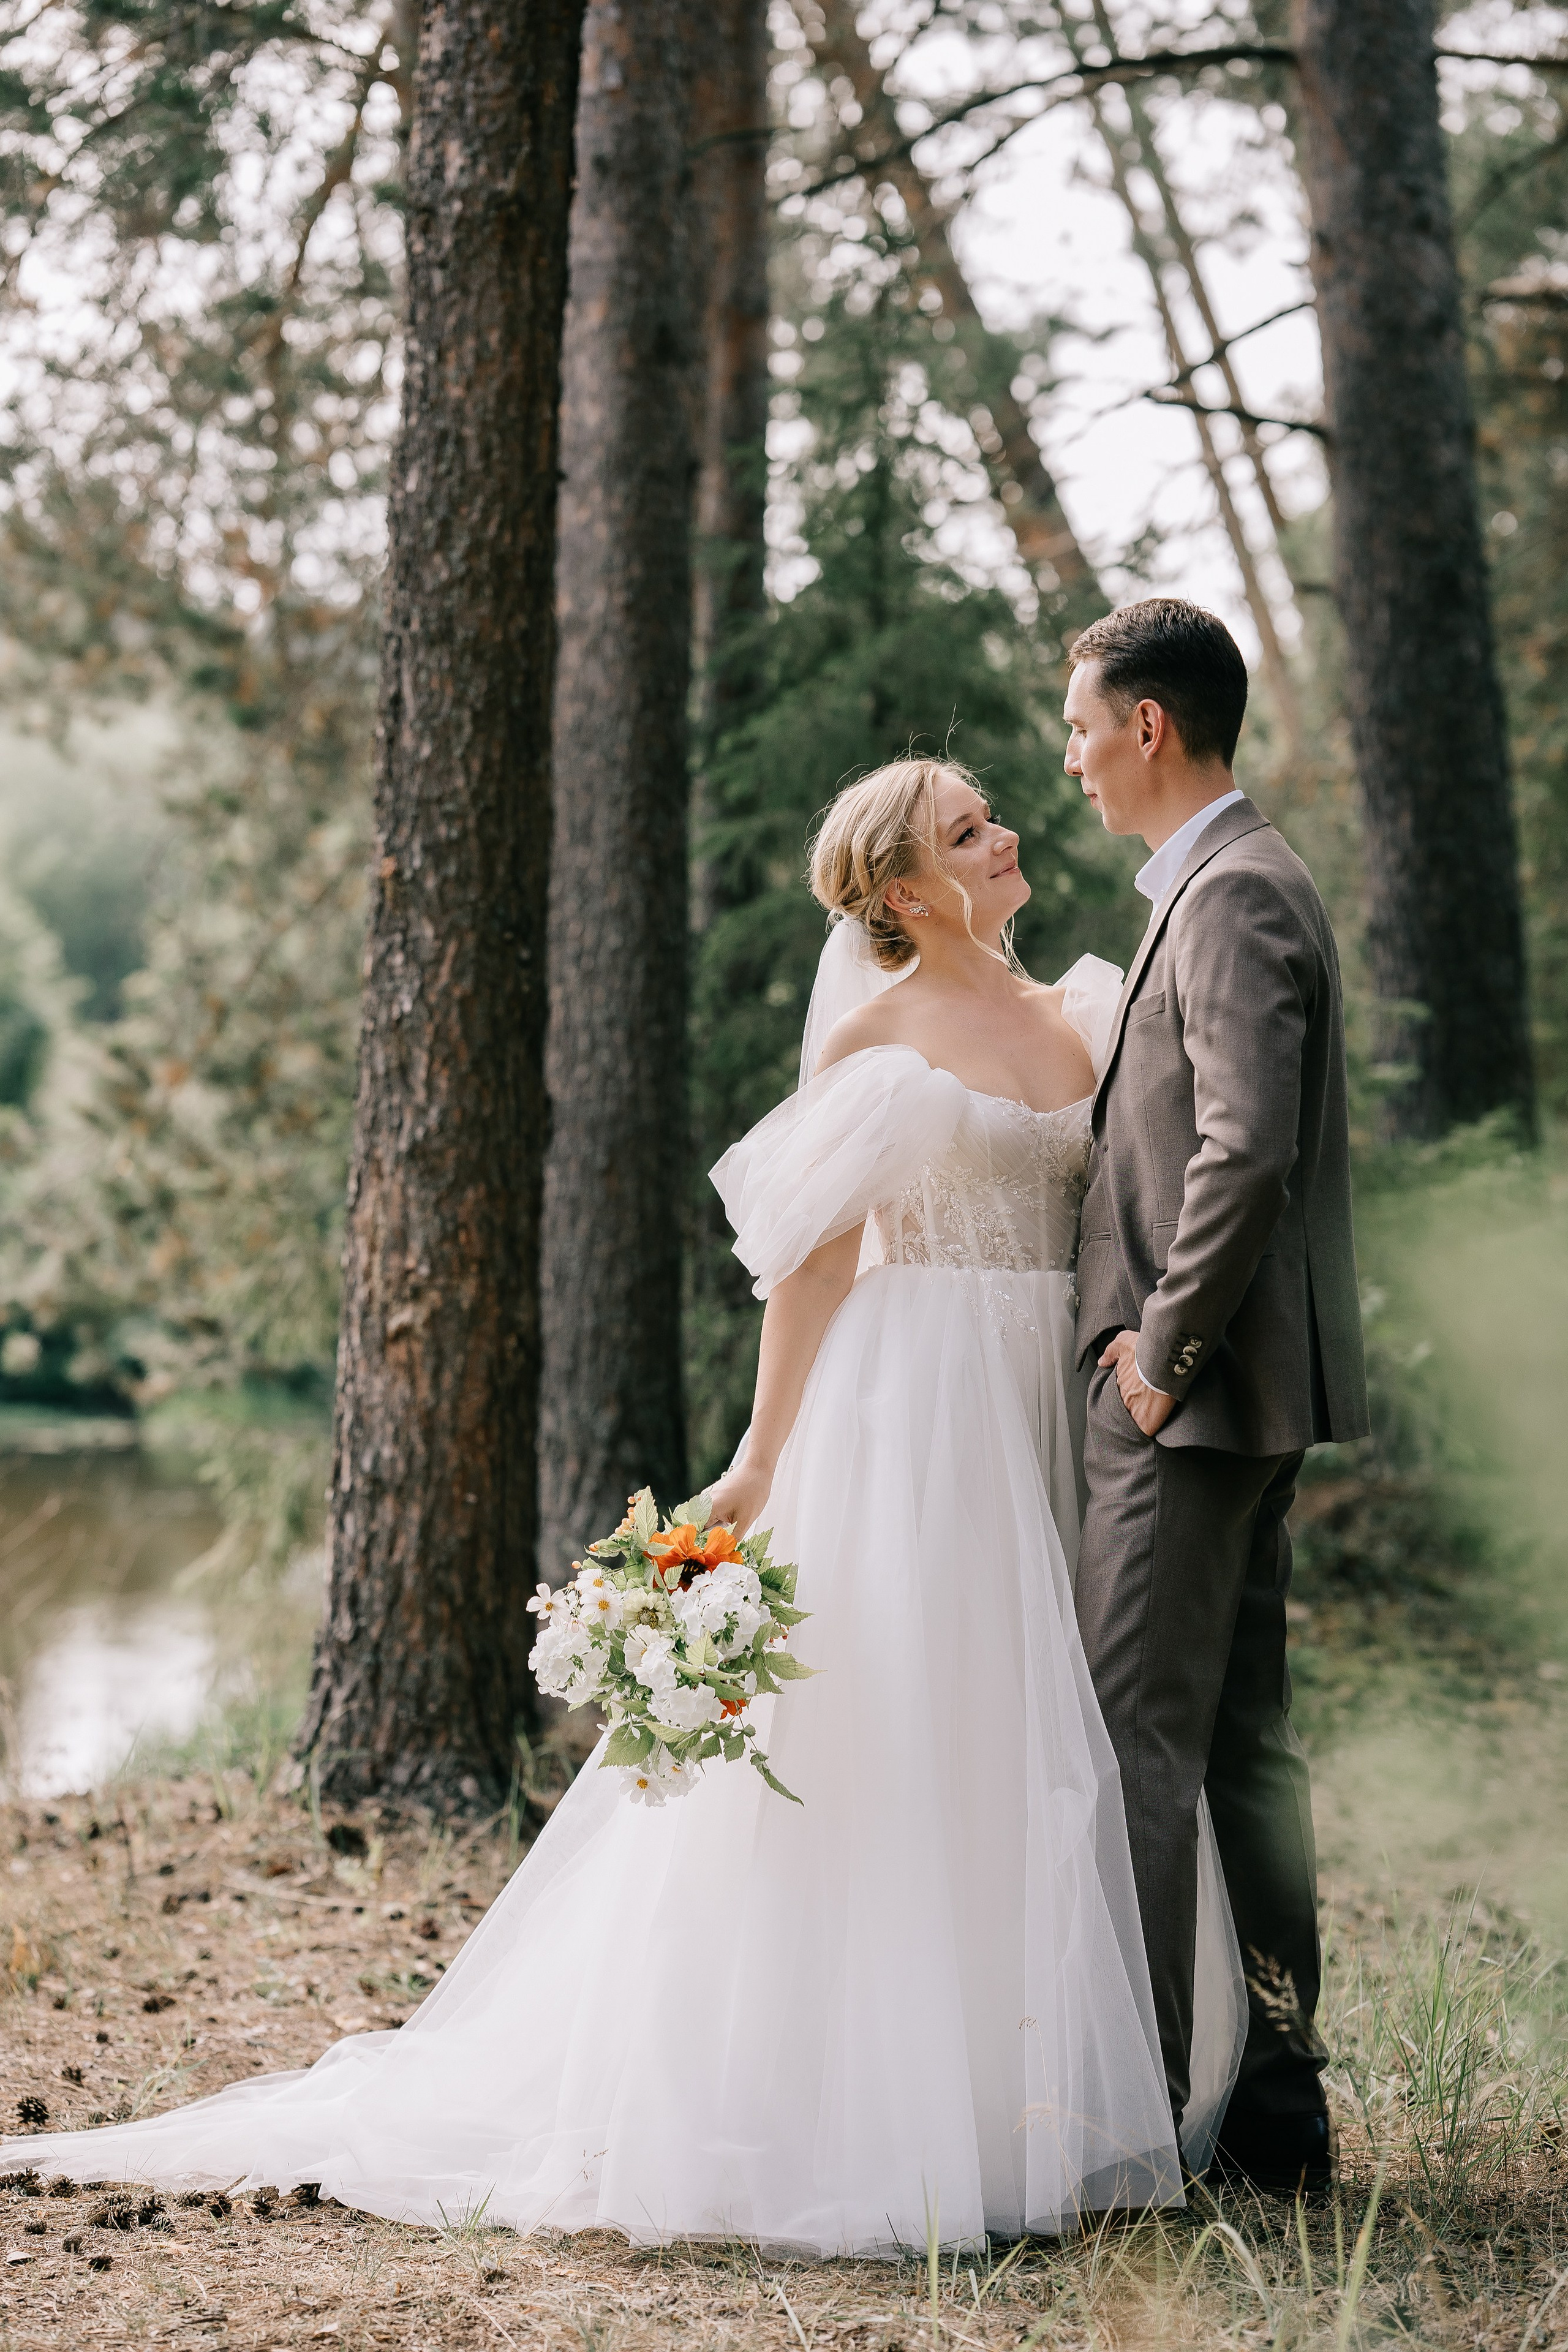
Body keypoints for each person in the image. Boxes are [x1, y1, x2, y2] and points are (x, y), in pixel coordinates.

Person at [0, 754, 1243, 2253]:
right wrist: (763, 1457)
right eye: (968, 830)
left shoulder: (1084, 1008)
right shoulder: (878, 1036)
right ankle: (889, 2103)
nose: (1006, 835)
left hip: (1054, 1393)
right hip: (915, 1407)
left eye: (992, 814)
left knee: (1045, 1723)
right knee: (914, 1722)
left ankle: (1047, 2083)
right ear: (906, 889)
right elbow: (812, 1267)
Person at [1065, 598, 1368, 2199]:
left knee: (1138, 1746)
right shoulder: (1227, 885)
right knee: (1241, 1750)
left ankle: (1145, 2128)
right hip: (1242, 1398)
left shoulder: (1236, 893)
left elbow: (1243, 1149)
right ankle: (1273, 2111)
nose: (1074, 762)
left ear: (1151, 727)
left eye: (1082, 729)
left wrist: (1164, 1354)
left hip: (1195, 1400)